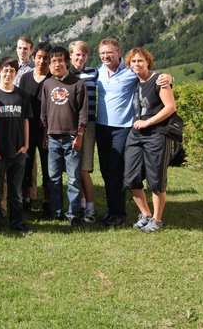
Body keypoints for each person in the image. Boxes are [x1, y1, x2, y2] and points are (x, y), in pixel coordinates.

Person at [95, 38, 172, 227]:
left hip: (123, 128)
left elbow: (152, 76)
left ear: (118, 52)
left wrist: (170, 78)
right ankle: (112, 210)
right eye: (103, 53)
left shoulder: (130, 71)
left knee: (117, 171)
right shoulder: (98, 71)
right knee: (106, 171)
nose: (106, 56)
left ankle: (119, 213)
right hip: (102, 127)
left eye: (109, 52)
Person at [123, 48, 176, 233]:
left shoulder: (159, 80)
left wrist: (148, 122)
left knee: (155, 180)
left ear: (148, 62)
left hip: (157, 134)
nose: (136, 64)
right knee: (131, 178)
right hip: (136, 135)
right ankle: (145, 215)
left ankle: (157, 219)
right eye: (133, 62)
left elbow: (170, 107)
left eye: (140, 61)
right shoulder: (136, 83)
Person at [0, 58, 32, 234]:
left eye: (12, 71)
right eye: (5, 70)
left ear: (16, 73)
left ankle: (17, 223)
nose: (8, 74)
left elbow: (25, 121)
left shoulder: (22, 95)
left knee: (16, 192)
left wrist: (26, 145)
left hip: (18, 151)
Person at [41, 47, 88, 226]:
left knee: (74, 178)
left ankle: (73, 213)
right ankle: (57, 211)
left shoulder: (77, 84)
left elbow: (83, 113)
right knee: (53, 177)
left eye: (60, 61)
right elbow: (43, 112)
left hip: (71, 137)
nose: (57, 64)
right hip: (52, 137)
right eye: (53, 62)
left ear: (67, 62)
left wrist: (80, 134)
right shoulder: (47, 84)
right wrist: (45, 134)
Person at [18, 41, 52, 215]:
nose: (42, 61)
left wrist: (47, 133)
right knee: (26, 165)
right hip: (28, 129)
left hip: (47, 130)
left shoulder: (53, 79)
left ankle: (48, 201)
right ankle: (25, 199)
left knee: (48, 167)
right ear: (34, 58)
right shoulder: (25, 78)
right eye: (39, 57)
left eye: (46, 58)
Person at [69, 40, 99, 222]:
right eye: (77, 54)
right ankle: (79, 204)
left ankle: (90, 207)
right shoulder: (64, 74)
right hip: (69, 126)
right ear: (70, 55)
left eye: (83, 55)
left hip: (88, 125)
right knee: (73, 168)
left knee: (84, 169)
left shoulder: (95, 73)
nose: (80, 58)